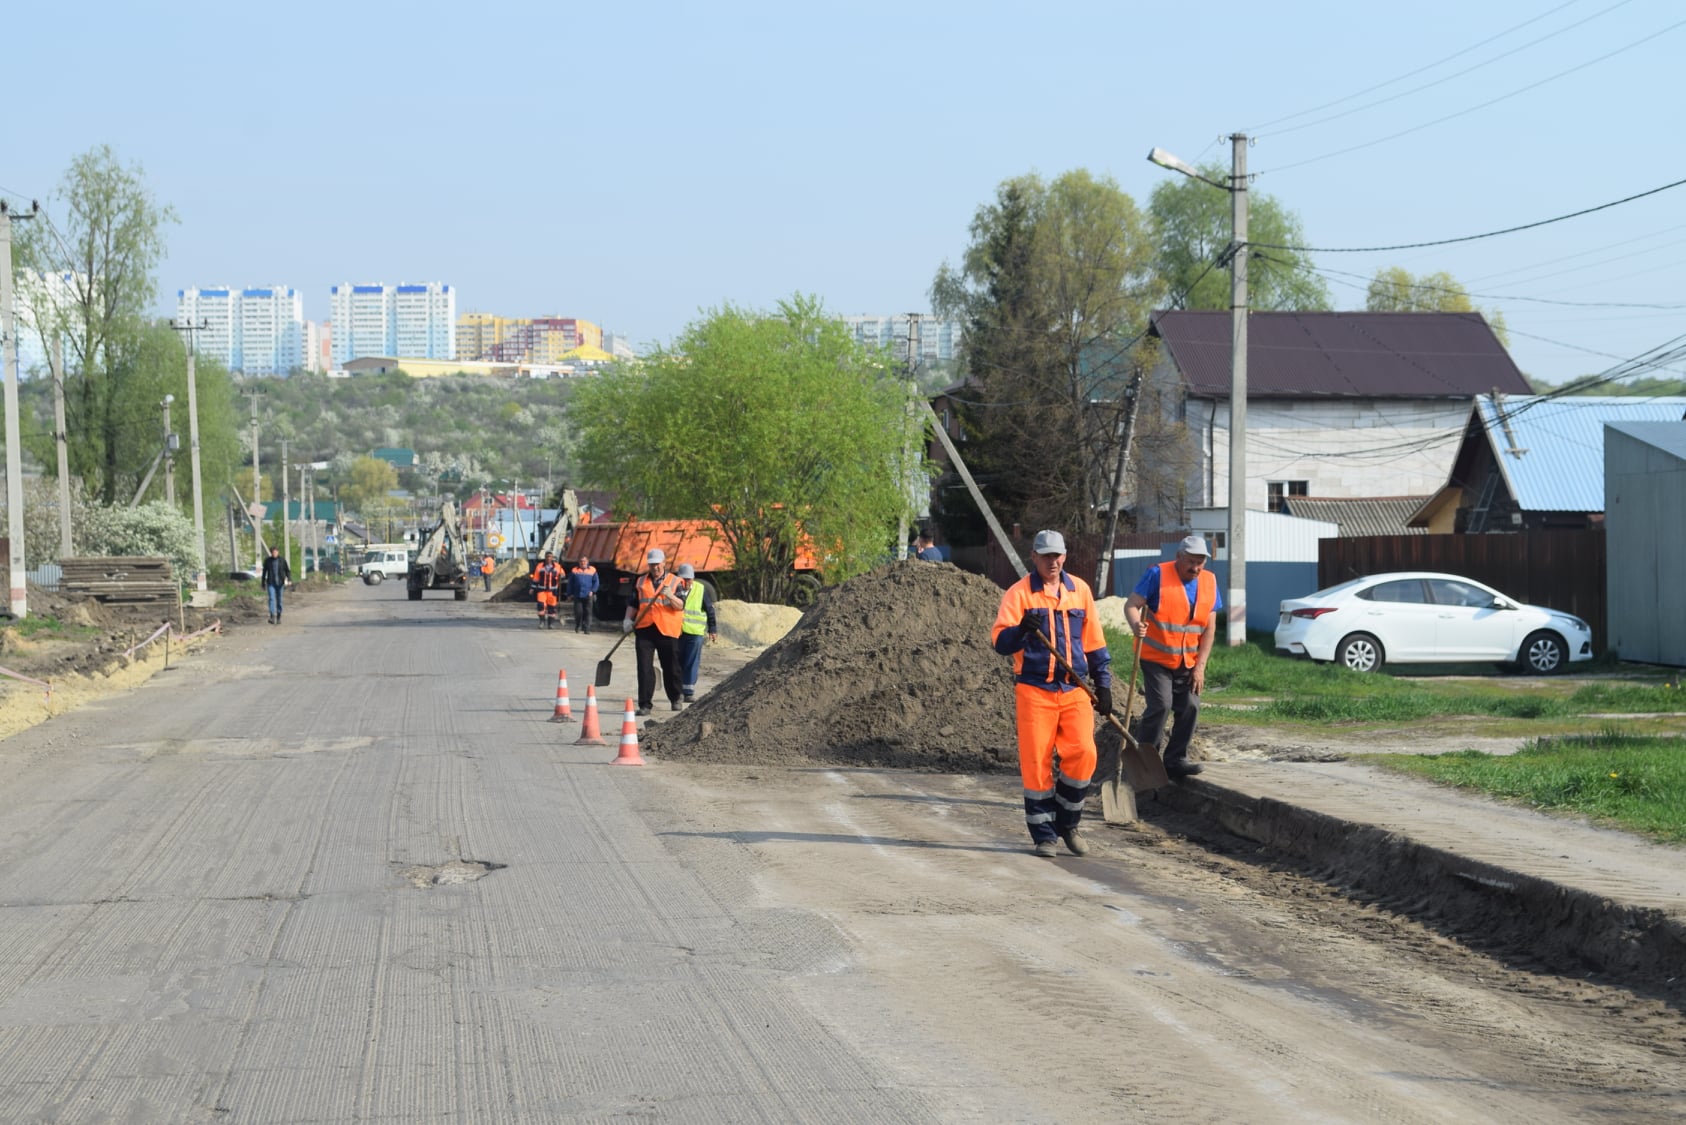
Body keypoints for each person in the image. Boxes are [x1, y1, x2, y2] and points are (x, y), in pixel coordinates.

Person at [990, 529, 1112, 858]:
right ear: (1034, 557)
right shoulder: (1019, 595)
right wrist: (1021, 631)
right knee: (1036, 762)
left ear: (1065, 556)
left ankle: (1067, 822)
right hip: (1034, 690)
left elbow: (1095, 642)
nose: (1052, 561)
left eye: (1057, 555)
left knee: (1084, 753)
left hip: (1075, 688)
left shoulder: (1080, 592)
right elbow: (1000, 643)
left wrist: (1103, 684)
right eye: (1046, 556)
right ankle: (1044, 835)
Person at [1124, 535, 1221, 780]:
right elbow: (1132, 605)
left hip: (1188, 662)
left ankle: (1175, 759)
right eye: (1191, 562)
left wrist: (1200, 667)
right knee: (1161, 705)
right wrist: (1137, 625)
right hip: (1155, 658)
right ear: (1178, 557)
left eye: (1201, 563)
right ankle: (1146, 761)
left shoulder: (1209, 582)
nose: (1196, 568)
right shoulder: (1157, 574)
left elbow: (1209, 629)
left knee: (1191, 705)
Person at [624, 547, 685, 715]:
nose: (655, 568)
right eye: (652, 565)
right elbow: (634, 603)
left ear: (664, 563)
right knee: (644, 667)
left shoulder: (675, 581)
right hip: (645, 628)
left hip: (667, 630)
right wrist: (628, 619)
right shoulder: (640, 582)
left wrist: (671, 596)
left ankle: (676, 698)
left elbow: (681, 605)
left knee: (671, 666)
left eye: (658, 564)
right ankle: (644, 705)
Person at [673, 563, 718, 703]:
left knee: (691, 662)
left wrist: (712, 629)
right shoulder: (673, 590)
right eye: (684, 579)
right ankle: (677, 691)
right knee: (677, 662)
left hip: (695, 633)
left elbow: (710, 610)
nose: (686, 582)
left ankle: (688, 691)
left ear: (693, 579)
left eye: (689, 579)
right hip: (677, 632)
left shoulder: (700, 589)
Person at [530, 551, 564, 629]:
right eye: (547, 556)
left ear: (552, 558)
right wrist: (532, 588)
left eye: (550, 556)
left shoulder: (558, 566)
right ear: (545, 557)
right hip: (542, 590)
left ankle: (550, 624)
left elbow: (563, 575)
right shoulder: (539, 566)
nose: (548, 558)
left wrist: (561, 576)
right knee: (541, 606)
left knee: (552, 607)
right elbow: (536, 578)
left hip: (553, 591)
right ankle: (542, 622)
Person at [568, 555, 600, 634]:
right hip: (577, 595)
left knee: (588, 612)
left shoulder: (592, 570)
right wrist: (569, 594)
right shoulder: (574, 570)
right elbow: (570, 583)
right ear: (579, 562)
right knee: (579, 612)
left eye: (584, 561)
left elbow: (596, 582)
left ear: (587, 562)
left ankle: (587, 628)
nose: (583, 563)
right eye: (581, 561)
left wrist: (593, 591)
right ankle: (578, 626)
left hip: (588, 595)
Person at [261, 545, 291, 625]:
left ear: (278, 552)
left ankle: (278, 616)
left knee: (279, 600)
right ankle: (272, 616)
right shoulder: (268, 561)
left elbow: (287, 571)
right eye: (273, 552)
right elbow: (264, 572)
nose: (274, 553)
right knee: (271, 598)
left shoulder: (282, 560)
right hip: (271, 583)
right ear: (271, 553)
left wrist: (289, 579)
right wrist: (263, 583)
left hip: (280, 583)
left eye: (275, 552)